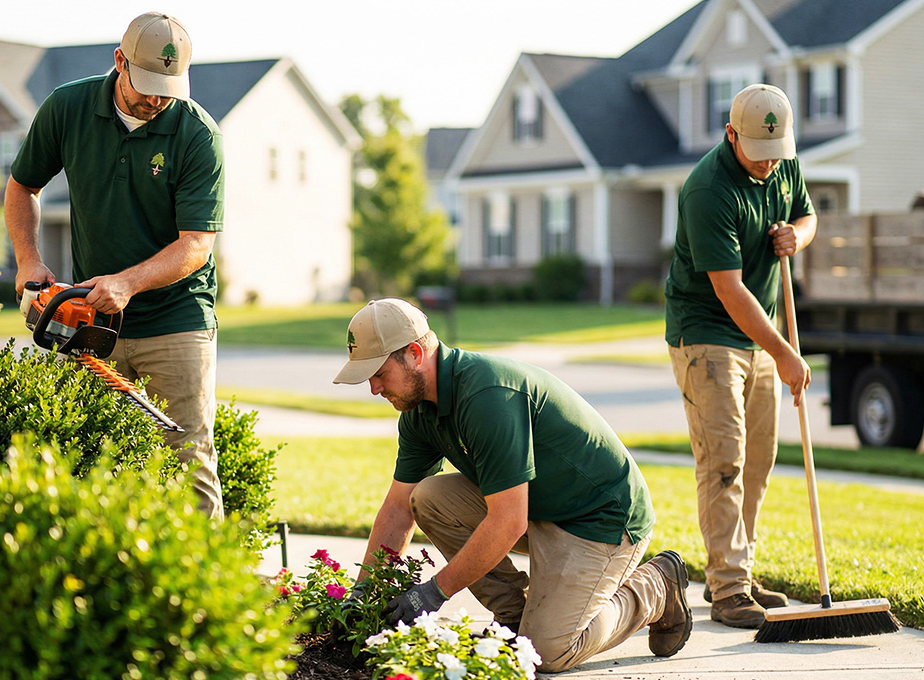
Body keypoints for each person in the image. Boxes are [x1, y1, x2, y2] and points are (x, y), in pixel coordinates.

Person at [333, 298, 691, 673]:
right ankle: (514, 616)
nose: (373, 388)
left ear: (414, 353)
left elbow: (508, 521)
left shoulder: (487, 396)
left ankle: (655, 587)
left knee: (548, 653)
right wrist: (362, 593)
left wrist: (434, 592)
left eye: (379, 372)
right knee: (428, 498)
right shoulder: (418, 412)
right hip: (539, 506)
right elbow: (398, 508)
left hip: (600, 519)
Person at [6, 12, 225, 518]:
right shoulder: (68, 107)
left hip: (176, 319)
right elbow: (23, 187)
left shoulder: (197, 135)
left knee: (187, 458)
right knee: (82, 455)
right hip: (90, 319)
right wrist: (28, 259)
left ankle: (204, 591)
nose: (156, 100)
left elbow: (196, 244)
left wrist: (127, 283)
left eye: (168, 89)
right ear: (119, 62)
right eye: (147, 86)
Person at [664, 83, 817, 629]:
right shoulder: (708, 189)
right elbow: (730, 291)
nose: (769, 165)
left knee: (758, 459)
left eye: (778, 153)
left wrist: (796, 236)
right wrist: (786, 353)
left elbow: (807, 215)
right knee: (723, 461)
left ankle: (741, 574)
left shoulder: (782, 162)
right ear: (731, 135)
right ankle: (727, 589)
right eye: (758, 152)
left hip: (759, 335)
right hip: (706, 334)